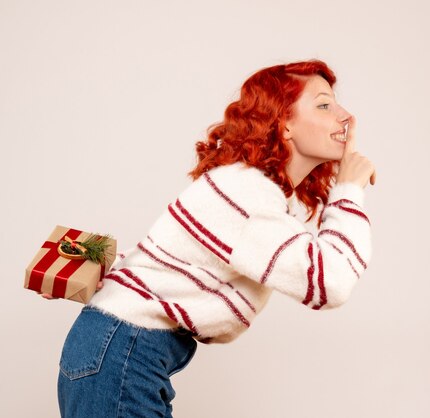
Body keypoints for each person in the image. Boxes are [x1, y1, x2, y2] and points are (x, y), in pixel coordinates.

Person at [45, 59, 376, 417]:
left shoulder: (247, 188)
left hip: (117, 350)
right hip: (123, 352)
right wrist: (348, 189)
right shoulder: (247, 193)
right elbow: (330, 282)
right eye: (324, 104)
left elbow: (166, 257)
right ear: (284, 124)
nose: (346, 116)